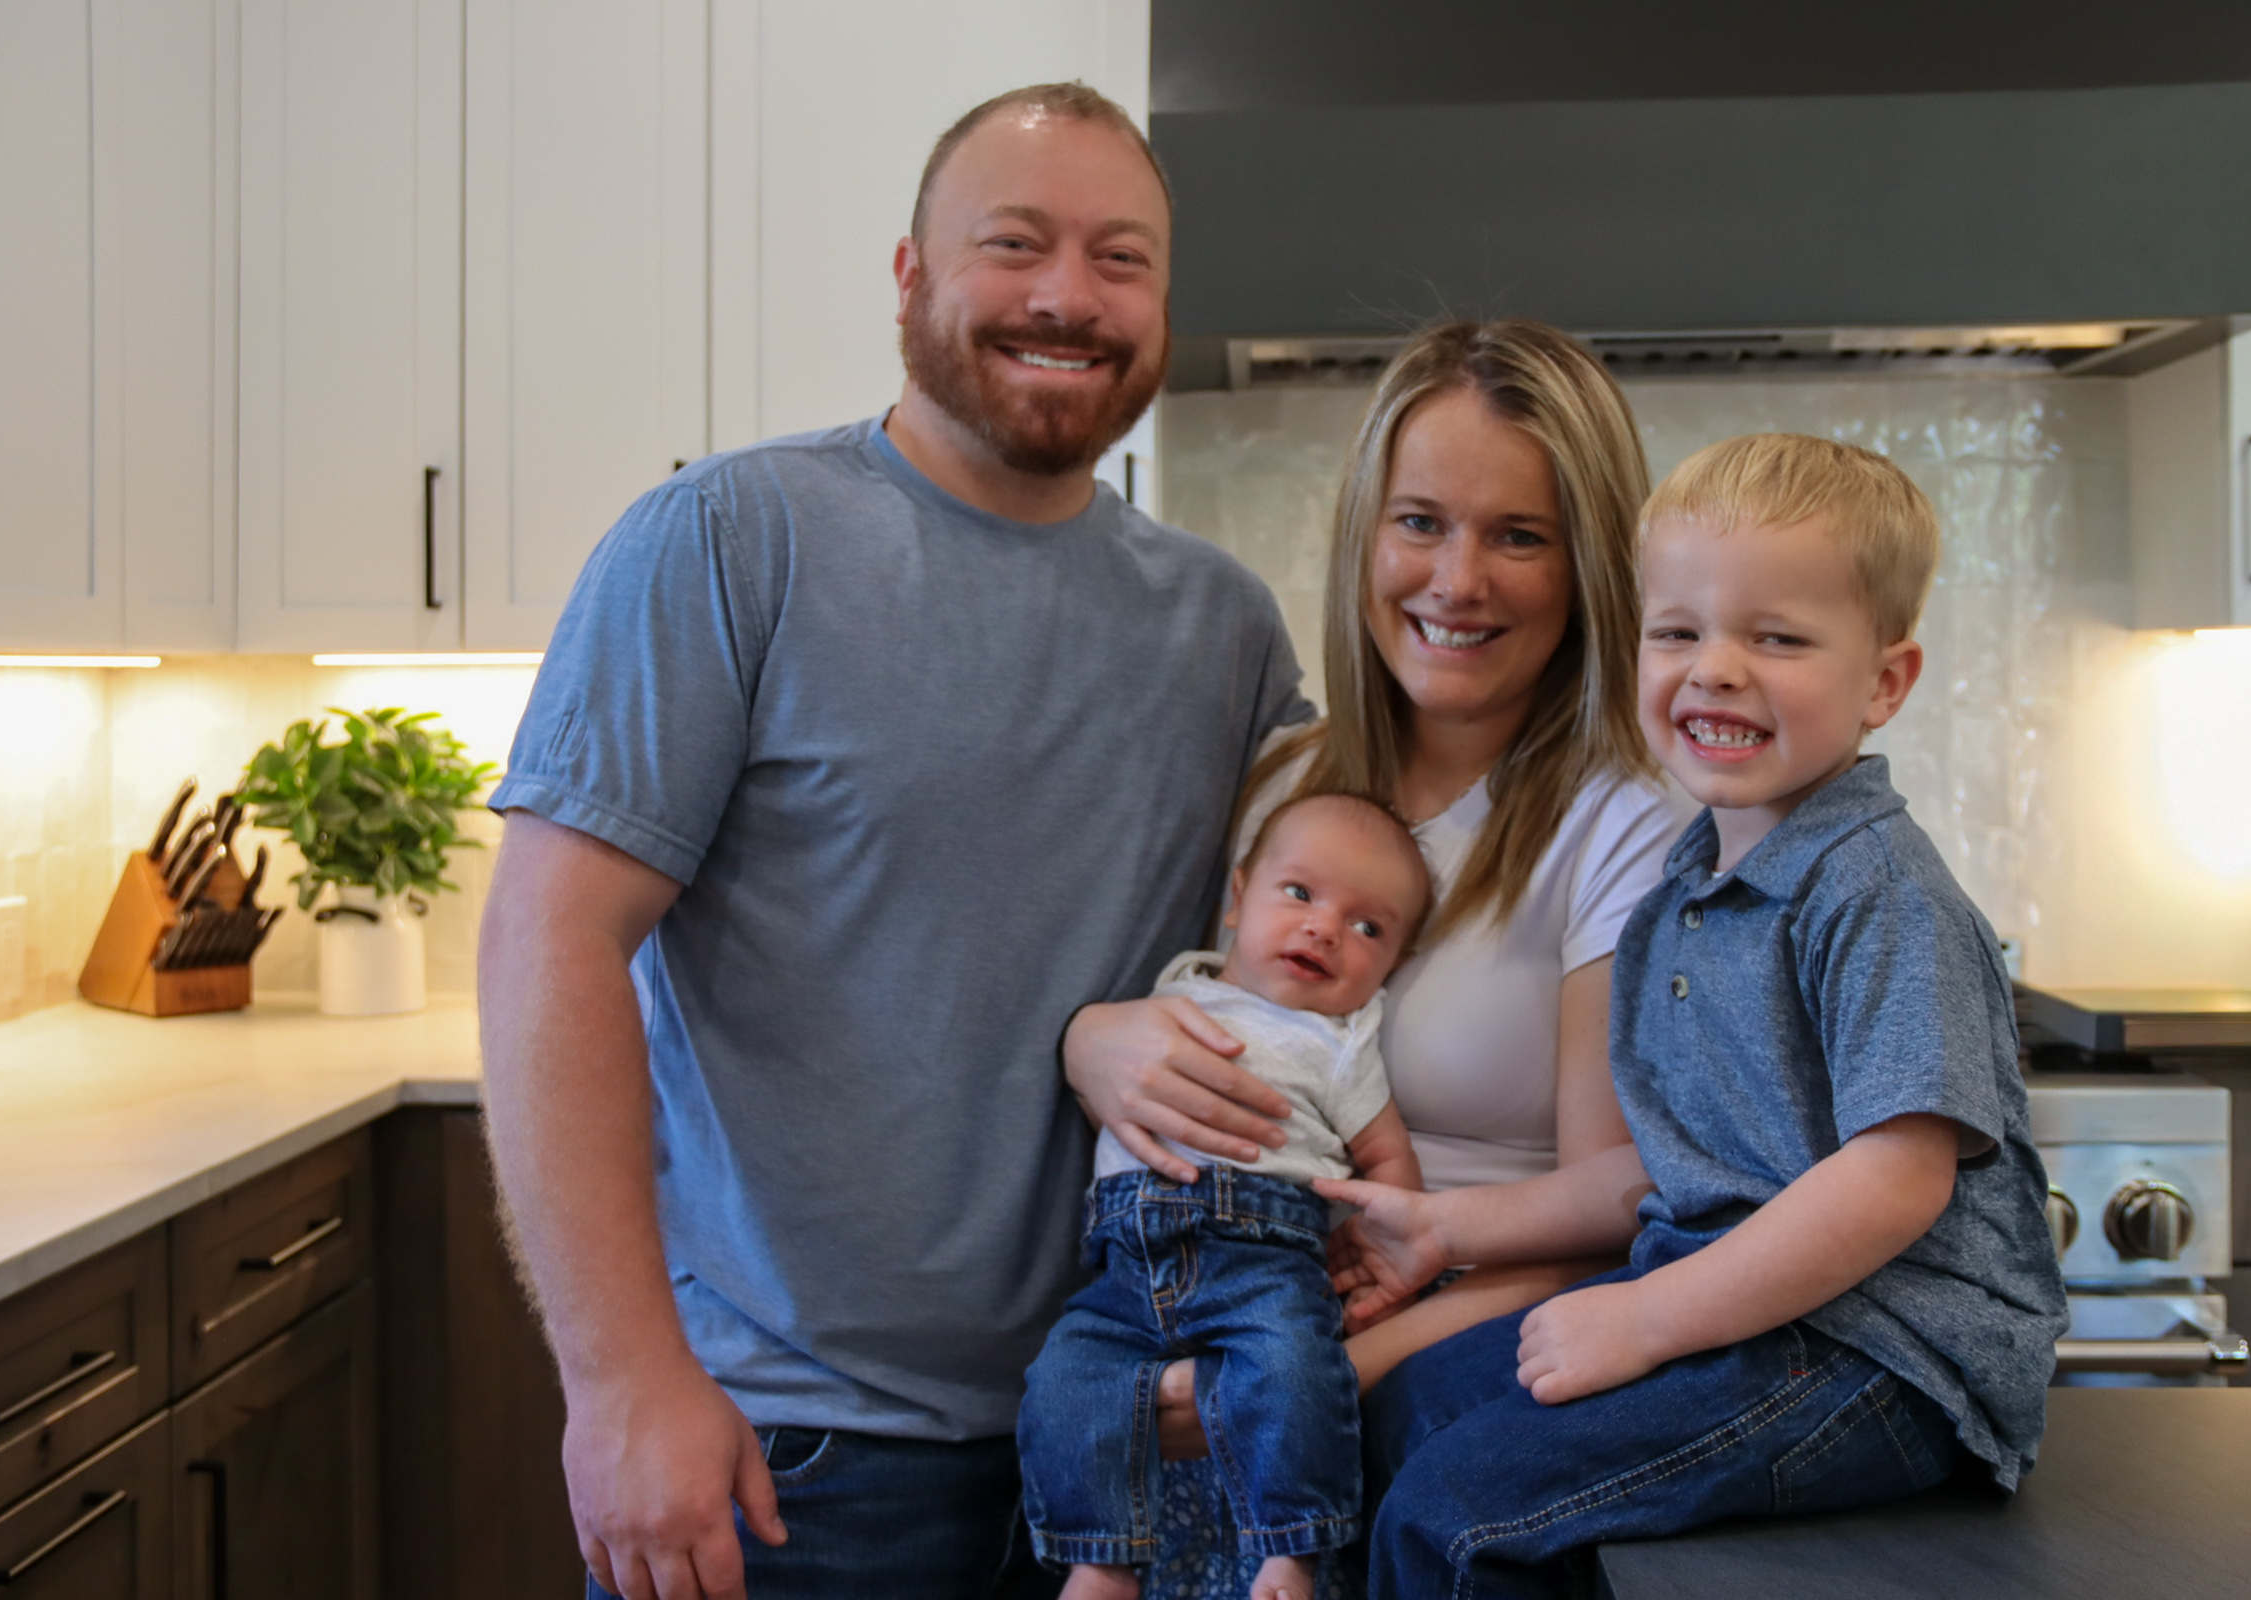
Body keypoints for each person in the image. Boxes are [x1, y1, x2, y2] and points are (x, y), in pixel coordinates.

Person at [477, 82, 1309, 1600]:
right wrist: (620, 1383)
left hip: (1126, 1446)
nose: (1069, 294)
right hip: (790, 1459)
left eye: (1120, 259)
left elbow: (1306, 947)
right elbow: (549, 940)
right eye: (1016, 243)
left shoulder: (1224, 628)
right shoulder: (731, 542)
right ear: (913, 273)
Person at [1351, 434, 2072, 1596]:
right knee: (1410, 1409)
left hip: (1883, 1353)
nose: (1715, 669)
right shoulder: (1688, 882)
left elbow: (1899, 1175)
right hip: (1743, 1307)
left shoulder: (1875, 885)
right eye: (1678, 632)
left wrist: (1646, 1319)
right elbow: (1683, 1168)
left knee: (1458, 1509)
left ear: (1886, 682)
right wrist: (1452, 1230)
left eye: (1776, 638)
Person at [1062, 320, 1690, 1596]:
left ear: (1588, 570)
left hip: (1443, 1402)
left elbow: (1622, 1220)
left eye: (1519, 535)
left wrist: (1310, 1378)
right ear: (1364, 533)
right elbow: (1192, 1003)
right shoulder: (1287, 779)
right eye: (1420, 522)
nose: (1456, 580)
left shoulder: (1627, 814)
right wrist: (1091, 1040)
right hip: (1205, 1364)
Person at [1020, 793, 1432, 1600]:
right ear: (1238, 900)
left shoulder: (1342, 1045)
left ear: (1393, 963)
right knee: (1065, 1381)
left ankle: (1292, 1546)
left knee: (1295, 1373)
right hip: (1126, 1260)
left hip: (1264, 1257)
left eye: (1367, 927)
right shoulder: (1175, 994)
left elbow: (1389, 1160)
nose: (1323, 928)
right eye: (1301, 894)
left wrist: (1389, 1245)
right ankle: (1100, 1557)